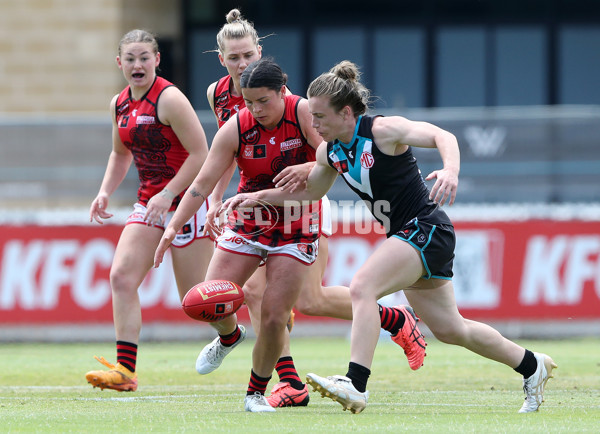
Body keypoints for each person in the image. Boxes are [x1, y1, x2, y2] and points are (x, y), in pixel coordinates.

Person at [222, 60, 557, 414]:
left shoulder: (383, 130)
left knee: (361, 287)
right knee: (450, 329)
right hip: (409, 236)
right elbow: (309, 194)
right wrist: (254, 197)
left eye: (319, 116)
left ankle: (356, 383)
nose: (313, 122)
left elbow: (444, 136)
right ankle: (532, 365)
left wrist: (451, 170)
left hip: (427, 228)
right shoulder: (329, 150)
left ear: (346, 112)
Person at [197, 10, 427, 409]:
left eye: (248, 55)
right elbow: (227, 154)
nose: (242, 64)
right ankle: (288, 381)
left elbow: (326, 151)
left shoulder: (288, 100)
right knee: (256, 293)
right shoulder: (218, 96)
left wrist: (308, 169)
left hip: (304, 201)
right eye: (234, 58)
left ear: (260, 52)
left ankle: (393, 319)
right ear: (221, 60)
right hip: (255, 206)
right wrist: (215, 198)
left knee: (308, 301)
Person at [85, 29, 215, 392]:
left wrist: (170, 193)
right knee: (121, 277)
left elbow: (201, 154)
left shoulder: (170, 99)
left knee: (198, 301)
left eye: (145, 58)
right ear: (120, 63)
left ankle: (244, 319)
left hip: (186, 204)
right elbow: (120, 152)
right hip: (149, 203)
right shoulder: (119, 103)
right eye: (130, 59)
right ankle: (125, 371)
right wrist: (105, 191)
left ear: (157, 60)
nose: (137, 65)